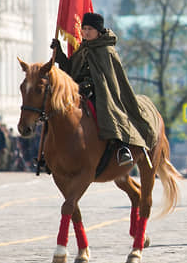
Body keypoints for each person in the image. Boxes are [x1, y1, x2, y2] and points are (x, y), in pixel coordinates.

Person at [51, 12, 157, 166]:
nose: (86, 32)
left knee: (107, 108)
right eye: (84, 28)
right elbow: (70, 69)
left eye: (90, 29)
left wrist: (90, 85)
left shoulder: (106, 51)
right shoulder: (83, 48)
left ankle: (122, 147)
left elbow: (109, 79)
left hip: (102, 90)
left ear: (98, 31)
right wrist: (59, 53)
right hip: (78, 91)